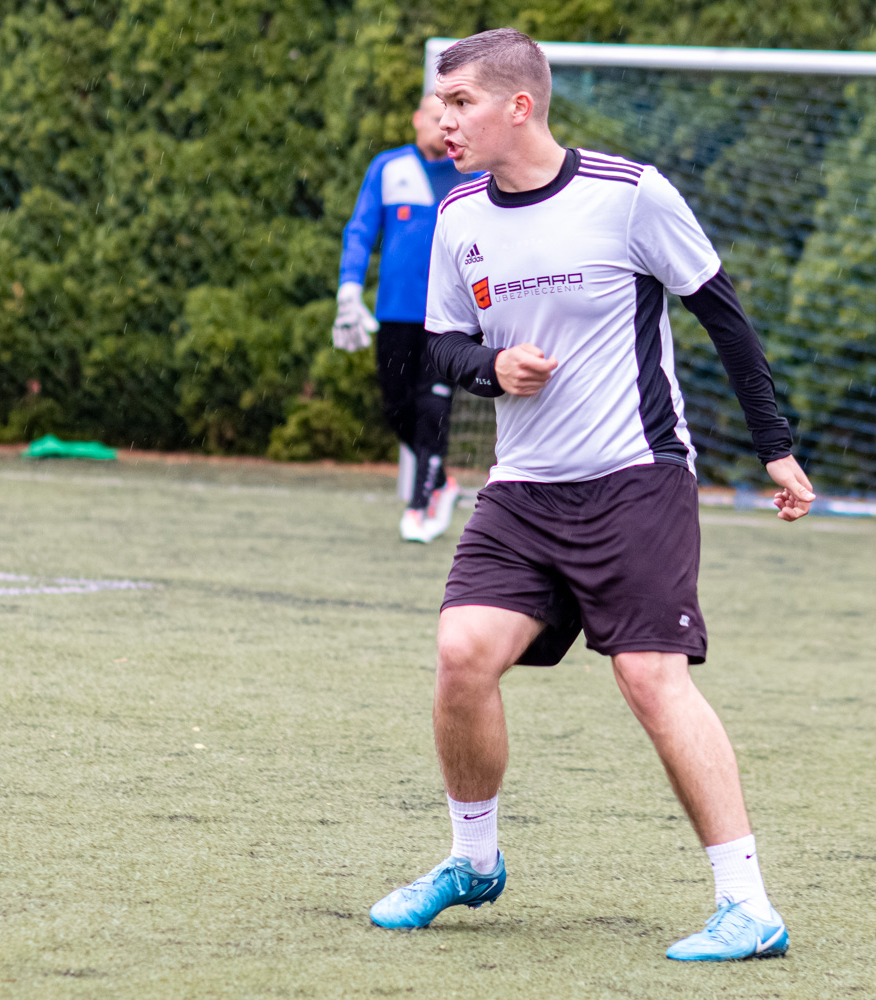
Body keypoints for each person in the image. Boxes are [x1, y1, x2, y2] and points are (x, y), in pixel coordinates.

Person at [366, 29, 818, 963]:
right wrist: (492, 367)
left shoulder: (630, 193)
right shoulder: (458, 215)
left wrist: (774, 447)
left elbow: (723, 314)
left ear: (519, 106)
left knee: (650, 677)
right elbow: (440, 345)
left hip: (634, 479)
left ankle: (748, 905)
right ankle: (473, 861)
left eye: (460, 104)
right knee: (461, 653)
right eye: (441, 105)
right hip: (523, 491)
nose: (444, 122)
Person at [335, 93, 482, 542]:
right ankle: (442, 483)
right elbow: (360, 231)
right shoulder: (388, 167)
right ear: (417, 119)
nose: (443, 124)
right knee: (397, 406)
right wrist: (349, 288)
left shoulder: (474, 174)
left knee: (433, 406)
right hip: (395, 313)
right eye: (435, 116)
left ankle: (420, 506)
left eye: (451, 116)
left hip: (450, 319)